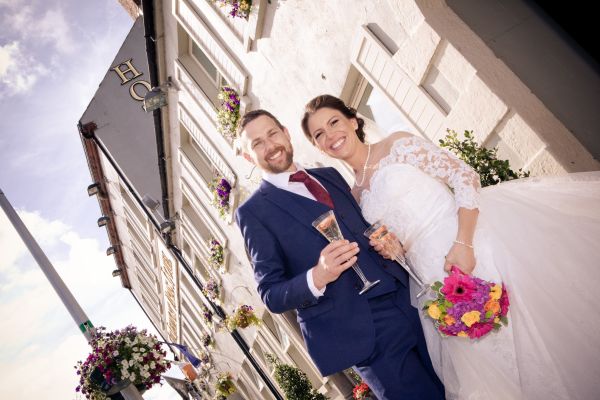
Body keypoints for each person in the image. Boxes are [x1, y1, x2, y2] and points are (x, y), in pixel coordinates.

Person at [301, 94, 600, 400]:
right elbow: (400, 243)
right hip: (433, 279)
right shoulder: (354, 195)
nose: (330, 135)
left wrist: (464, 244)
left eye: (333, 122)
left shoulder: (398, 145)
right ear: (318, 146)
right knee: (494, 364)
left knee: (531, 338)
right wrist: (394, 250)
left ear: (352, 120)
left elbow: (464, 176)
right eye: (319, 135)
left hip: (471, 242)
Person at [235, 109, 445, 399]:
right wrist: (318, 275)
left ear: (285, 131)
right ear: (248, 157)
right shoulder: (252, 213)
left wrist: (386, 241)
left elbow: (363, 227)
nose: (270, 145)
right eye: (257, 143)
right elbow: (270, 293)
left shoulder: (329, 175)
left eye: (272, 133)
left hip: (409, 299)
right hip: (364, 332)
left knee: (457, 387)